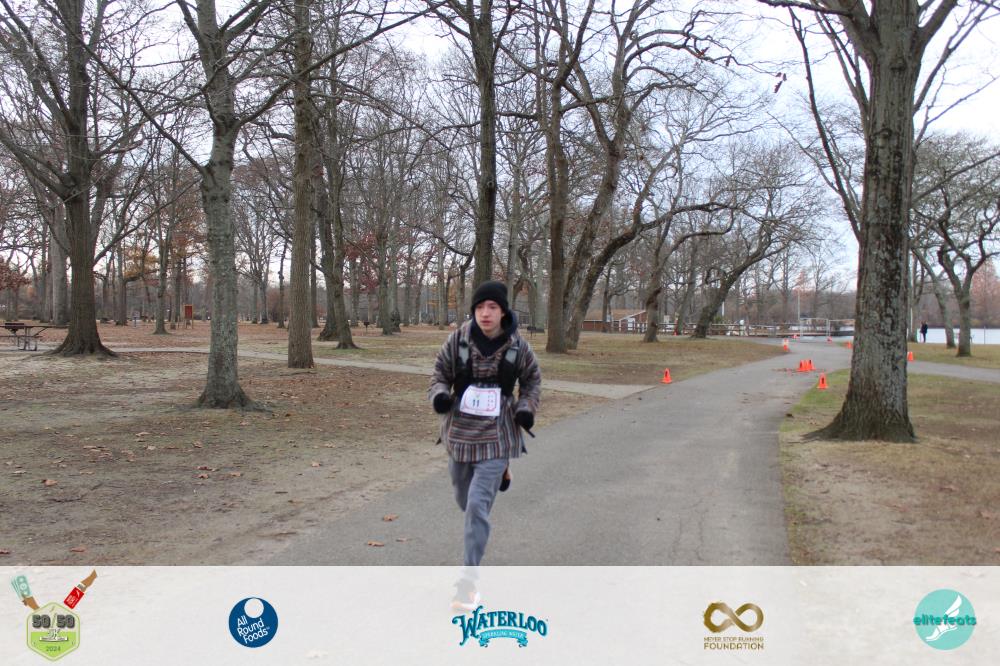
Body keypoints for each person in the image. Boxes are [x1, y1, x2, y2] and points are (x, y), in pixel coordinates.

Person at [429, 280, 541, 571]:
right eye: (479, 307)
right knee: (464, 500)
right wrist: (440, 395)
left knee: (477, 506)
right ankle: (502, 474)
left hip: (498, 436)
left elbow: (532, 382)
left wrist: (526, 409)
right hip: (460, 434)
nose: (485, 313)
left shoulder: (518, 346)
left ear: (503, 311)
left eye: (492, 307)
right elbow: (439, 374)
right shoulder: (458, 341)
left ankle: (469, 577)